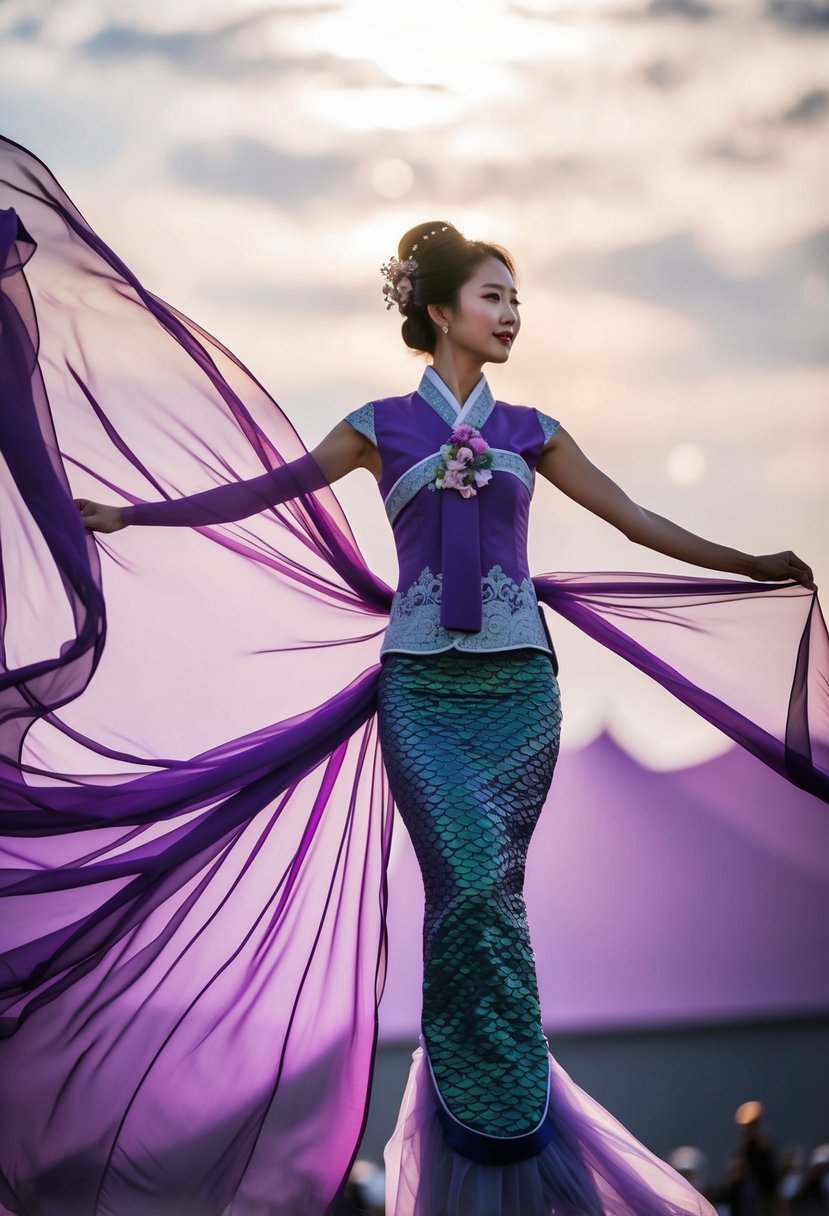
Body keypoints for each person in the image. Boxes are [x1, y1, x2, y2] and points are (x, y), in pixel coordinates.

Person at [0, 137, 826, 1216]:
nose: (514, 315)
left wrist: (745, 560)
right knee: (465, 887)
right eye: (496, 296)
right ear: (443, 312)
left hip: (522, 688)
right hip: (423, 695)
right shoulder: (375, 427)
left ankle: (505, 1126)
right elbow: (261, 493)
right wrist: (134, 512)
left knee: (497, 896)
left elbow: (635, 516)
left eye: (520, 300)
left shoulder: (533, 432)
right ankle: (488, 1127)